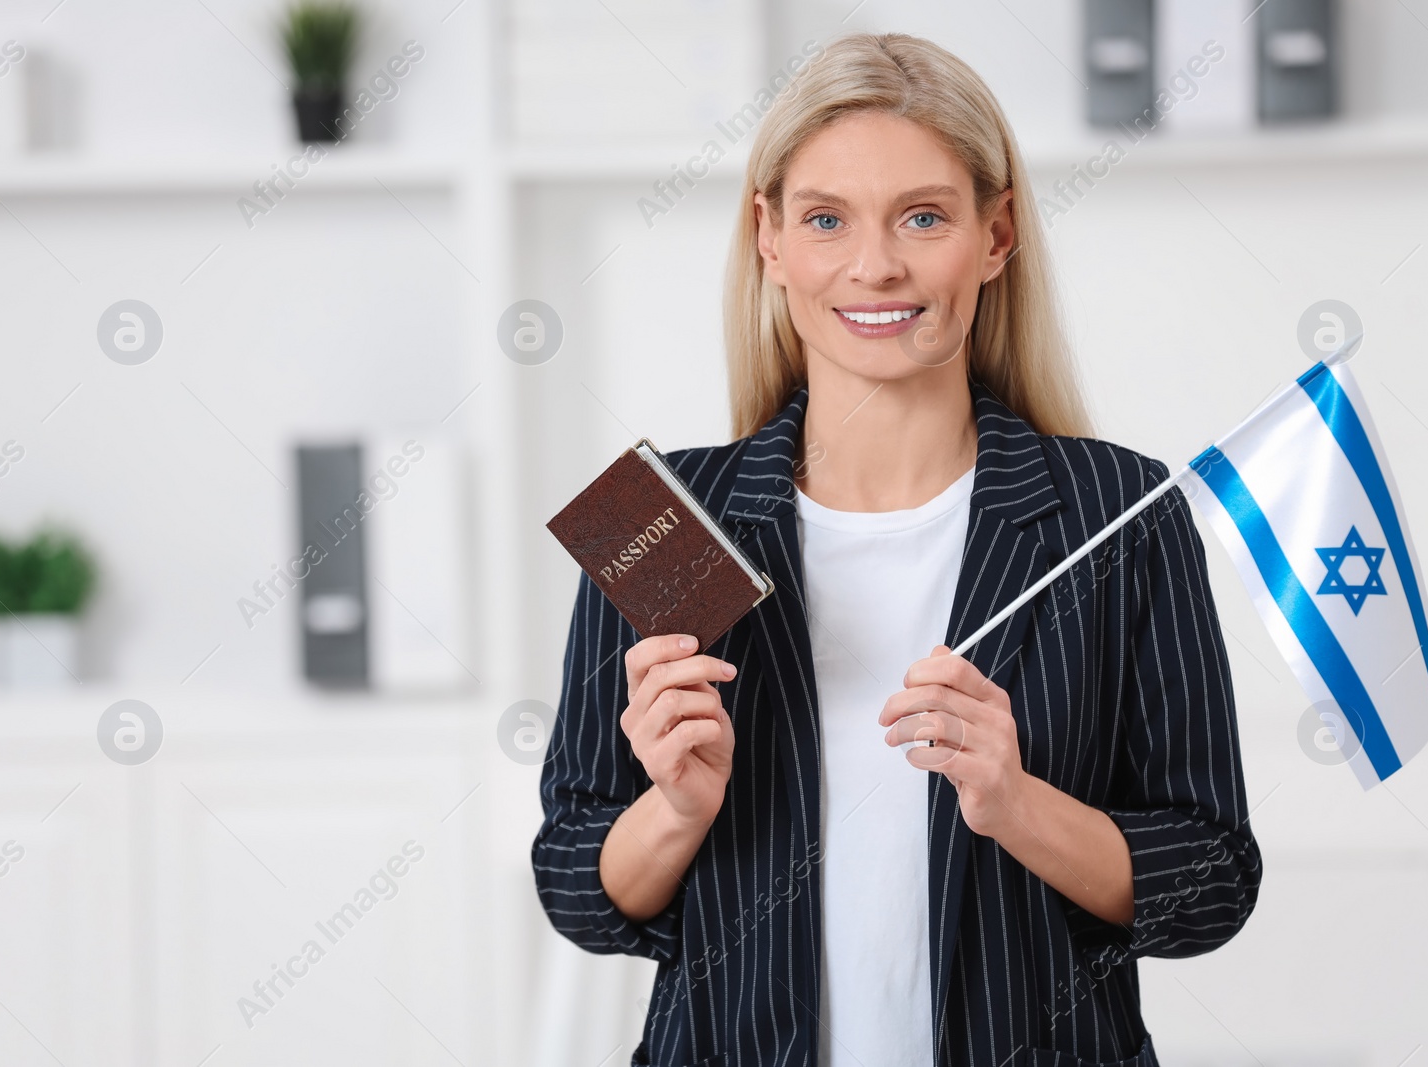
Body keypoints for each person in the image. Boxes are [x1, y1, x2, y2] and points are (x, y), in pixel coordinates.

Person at [533, 32, 1262, 1067]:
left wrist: (1014, 801)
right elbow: (574, 882)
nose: (874, 264)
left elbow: (1210, 883)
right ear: (769, 238)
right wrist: (677, 808)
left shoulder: (1117, 509)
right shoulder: (664, 518)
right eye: (825, 219)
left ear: (996, 234)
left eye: (923, 216)